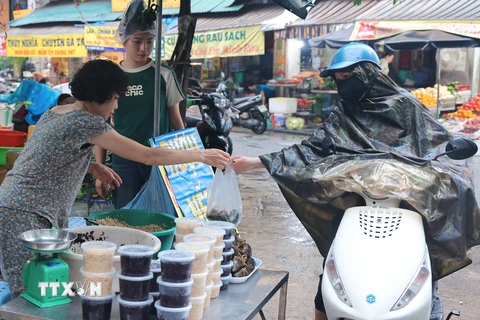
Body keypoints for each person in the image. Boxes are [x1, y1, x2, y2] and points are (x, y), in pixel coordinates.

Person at [232, 43, 479, 320]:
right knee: (331, 276)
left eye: (347, 78)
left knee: (425, 272)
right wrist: (256, 162)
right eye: (338, 79)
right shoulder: (343, 113)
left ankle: (428, 301)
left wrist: (446, 174)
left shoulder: (405, 106)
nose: (342, 85)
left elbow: (441, 147)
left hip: (404, 209)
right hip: (355, 207)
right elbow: (312, 148)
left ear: (367, 74)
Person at [0, 59, 230, 298]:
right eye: (115, 98)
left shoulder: (55, 113)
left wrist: (91, 167)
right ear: (101, 95)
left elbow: (46, 156)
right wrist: (200, 154)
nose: (117, 106)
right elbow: (146, 155)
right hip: (24, 213)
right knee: (31, 291)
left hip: (17, 206)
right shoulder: (86, 122)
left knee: (40, 287)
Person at [94, 0, 186, 209]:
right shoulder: (112, 78)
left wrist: (187, 158)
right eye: (137, 41)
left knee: (160, 216)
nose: (144, 48)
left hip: (159, 159)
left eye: (150, 41)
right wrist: (100, 170)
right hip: (123, 161)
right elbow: (100, 127)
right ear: (125, 40)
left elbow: (176, 120)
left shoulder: (164, 74)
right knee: (127, 218)